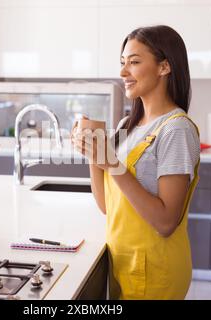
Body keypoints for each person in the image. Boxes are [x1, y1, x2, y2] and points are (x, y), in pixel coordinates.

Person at [71, 25, 201, 300]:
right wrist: (95, 154)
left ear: (164, 67)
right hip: (123, 263)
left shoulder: (175, 129)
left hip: (155, 269)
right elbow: (108, 206)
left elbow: (166, 222)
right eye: (122, 63)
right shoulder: (126, 127)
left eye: (134, 62)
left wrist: (112, 164)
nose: (123, 72)